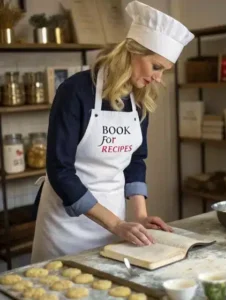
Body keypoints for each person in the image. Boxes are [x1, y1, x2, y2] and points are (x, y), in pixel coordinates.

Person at [31, 0, 194, 263]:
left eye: (164, 70)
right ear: (133, 52)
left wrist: (139, 215)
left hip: (113, 224)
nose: (158, 78)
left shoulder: (139, 100)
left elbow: (136, 160)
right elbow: (60, 170)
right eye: (156, 66)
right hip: (65, 226)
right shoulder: (75, 91)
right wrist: (116, 224)